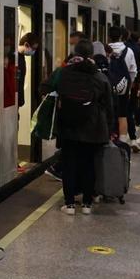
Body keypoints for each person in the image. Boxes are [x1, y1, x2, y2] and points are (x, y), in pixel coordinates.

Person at [46, 40, 116, 214]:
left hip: (69, 128)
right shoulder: (99, 76)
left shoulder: (64, 72)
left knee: (69, 165)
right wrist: (109, 129)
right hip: (93, 129)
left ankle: (69, 204)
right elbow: (109, 105)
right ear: (92, 54)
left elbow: (44, 87)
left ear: (75, 53)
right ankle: (87, 204)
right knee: (89, 165)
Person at [106, 26, 139, 149]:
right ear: (121, 36)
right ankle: (123, 142)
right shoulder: (128, 51)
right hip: (123, 86)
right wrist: (128, 84)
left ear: (109, 36)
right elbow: (133, 70)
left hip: (108, 86)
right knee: (122, 114)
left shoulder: (105, 49)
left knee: (108, 113)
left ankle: (109, 139)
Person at [15, 33, 40, 108]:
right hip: (14, 100)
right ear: (26, 44)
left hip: (17, 100)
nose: (33, 51)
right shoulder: (15, 59)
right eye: (33, 48)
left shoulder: (21, 58)